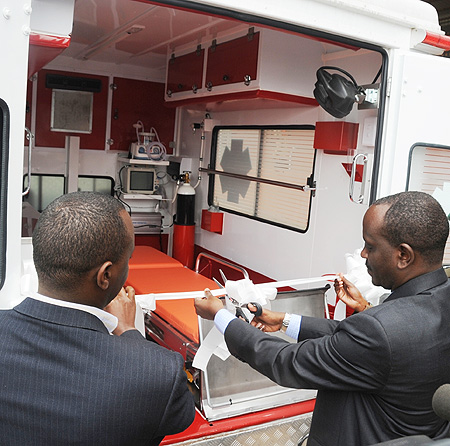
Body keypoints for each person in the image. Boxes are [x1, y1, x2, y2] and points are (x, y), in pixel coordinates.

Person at [195, 191, 450, 446]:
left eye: (370, 246)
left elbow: (284, 361)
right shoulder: (438, 300)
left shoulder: (379, 332)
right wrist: (283, 320)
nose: (362, 254)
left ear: (404, 255)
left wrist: (222, 316)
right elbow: (353, 337)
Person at [0, 192, 195, 445]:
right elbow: (179, 417)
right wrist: (128, 332)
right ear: (105, 276)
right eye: (129, 259)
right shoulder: (158, 372)